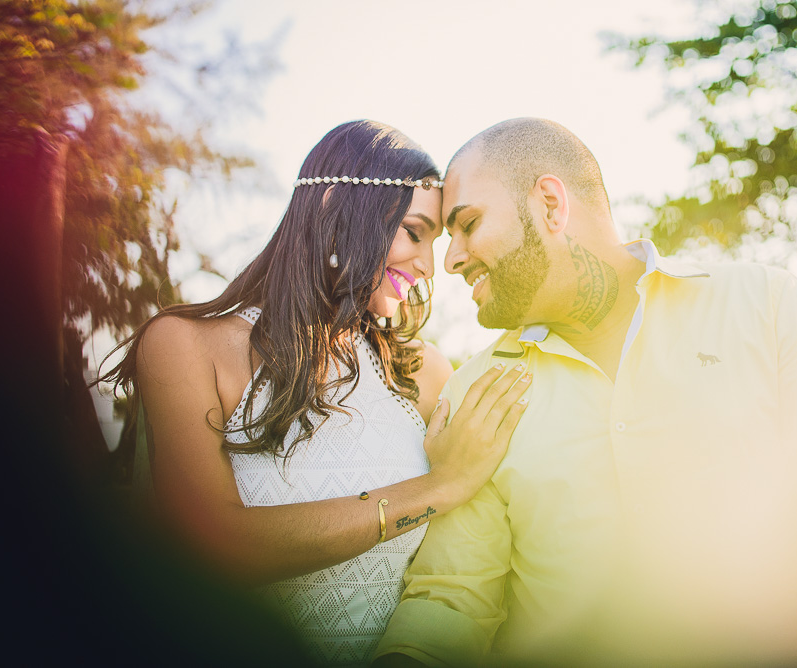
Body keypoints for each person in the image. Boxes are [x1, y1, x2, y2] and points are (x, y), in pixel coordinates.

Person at [373, 118, 797, 666]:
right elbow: (452, 600)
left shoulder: (769, 306)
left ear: (550, 205)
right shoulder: (477, 388)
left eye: (469, 225)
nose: (449, 261)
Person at [101, 120, 531, 667]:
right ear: (332, 207)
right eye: (414, 233)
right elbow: (211, 544)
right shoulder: (186, 346)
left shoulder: (424, 375)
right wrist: (436, 487)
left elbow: (457, 568)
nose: (427, 267)